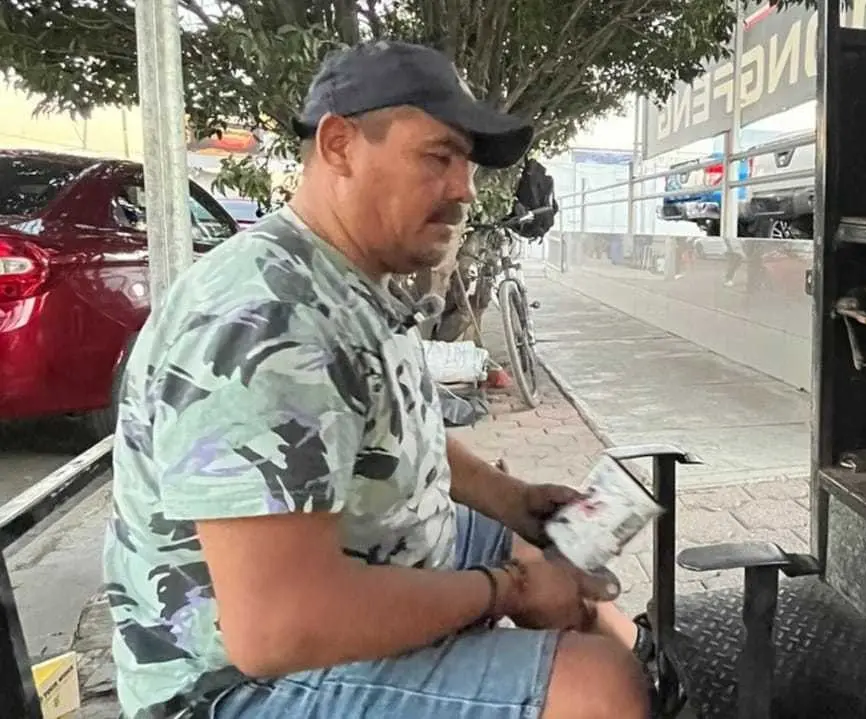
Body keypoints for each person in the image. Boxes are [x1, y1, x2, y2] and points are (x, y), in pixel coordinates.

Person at [104, 41, 654, 719]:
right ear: (339, 145)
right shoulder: (269, 318)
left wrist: (514, 501)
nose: (465, 189)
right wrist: (506, 588)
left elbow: (380, 436)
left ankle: (657, 673)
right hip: (230, 686)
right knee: (597, 687)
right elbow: (276, 626)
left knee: (553, 558)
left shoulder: (345, 279)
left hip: (355, 556)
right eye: (438, 157)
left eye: (466, 165)